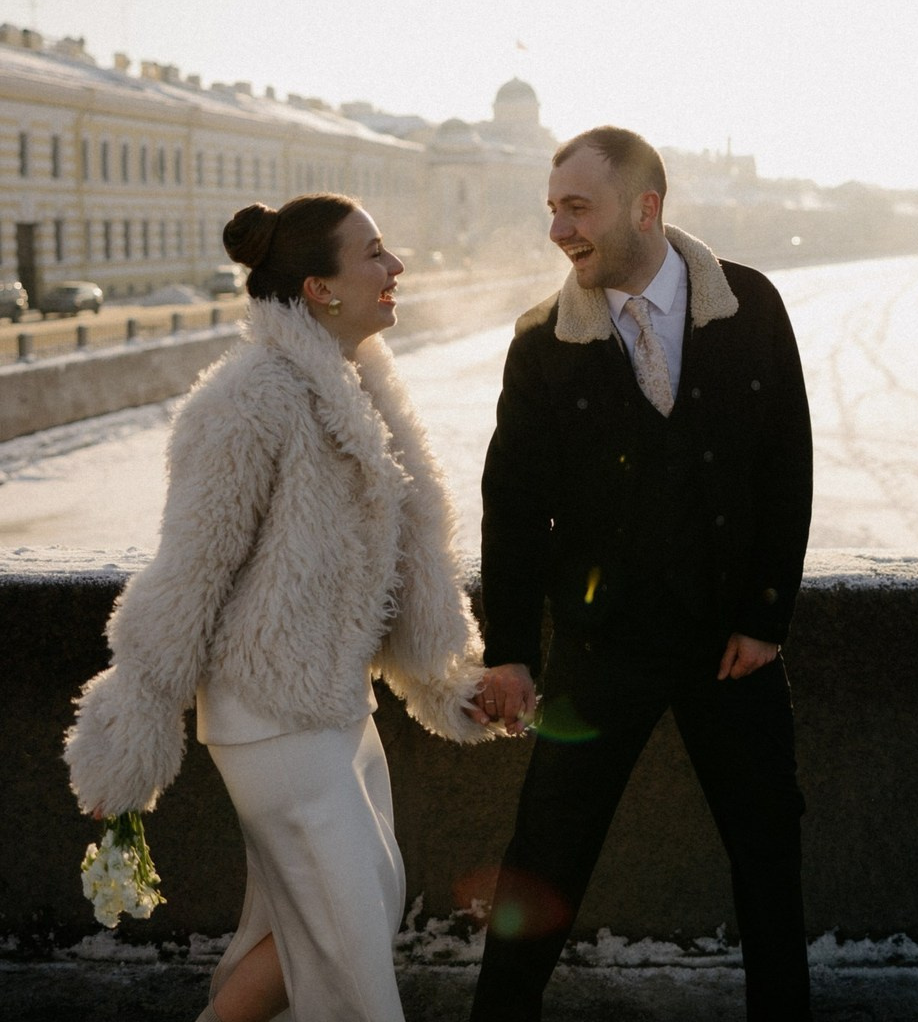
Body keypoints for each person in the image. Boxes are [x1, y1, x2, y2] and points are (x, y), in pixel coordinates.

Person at [64, 193, 492, 1022]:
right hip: (270, 722)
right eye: (374, 252)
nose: (395, 266)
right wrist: (129, 735)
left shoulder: (357, 390)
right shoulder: (249, 397)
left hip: (338, 709)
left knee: (348, 916)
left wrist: (446, 680)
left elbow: (406, 569)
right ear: (319, 288)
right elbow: (188, 576)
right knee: (351, 959)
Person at [471, 127, 814, 1021]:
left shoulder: (753, 307)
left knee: (770, 858)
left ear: (645, 208)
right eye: (552, 209)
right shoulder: (542, 343)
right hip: (600, 650)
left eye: (576, 208)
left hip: (730, 649)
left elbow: (788, 468)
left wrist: (767, 616)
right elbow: (511, 513)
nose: (558, 230)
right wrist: (510, 653)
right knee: (542, 860)